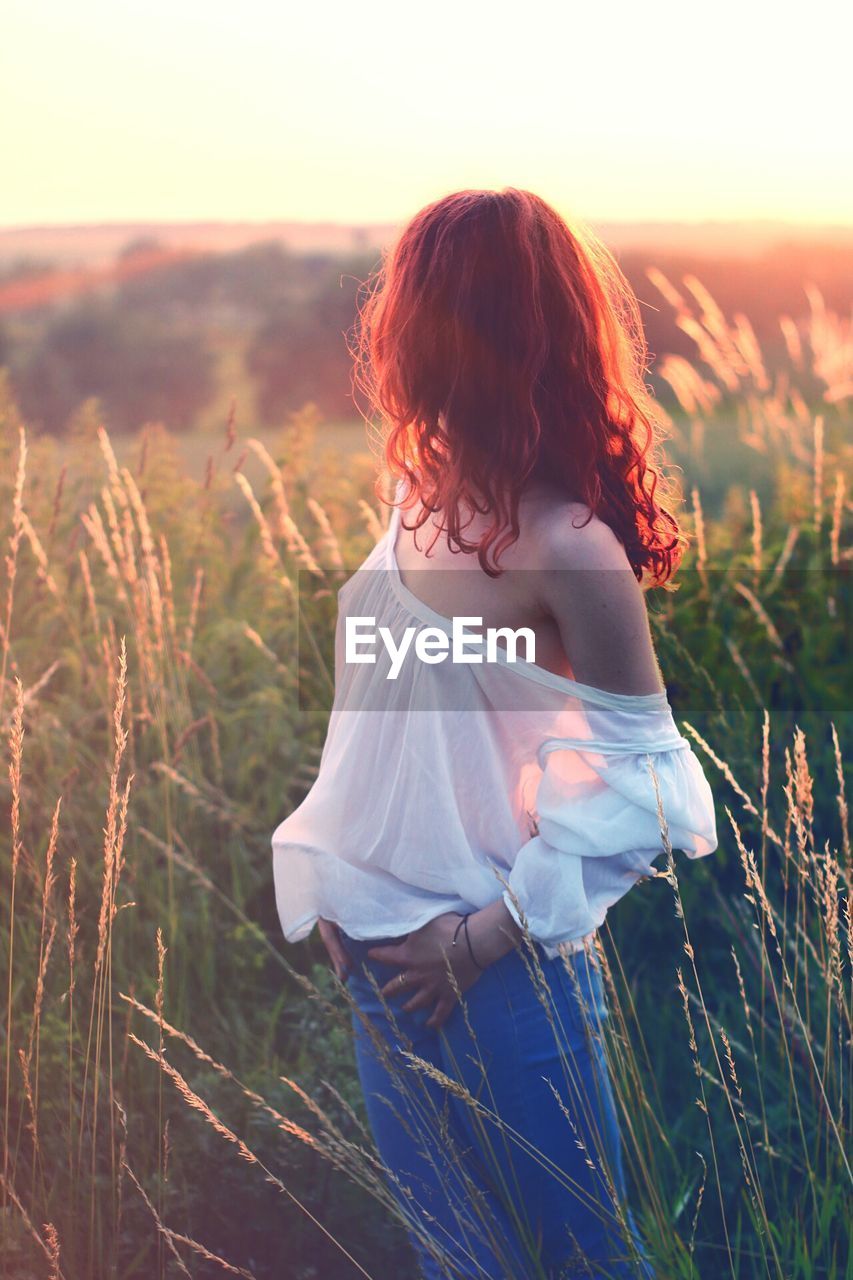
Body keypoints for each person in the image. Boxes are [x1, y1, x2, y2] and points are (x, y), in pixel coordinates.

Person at [271, 188, 719, 1278]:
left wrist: (477, 941)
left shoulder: (572, 549)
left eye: (408, 301)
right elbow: (383, 711)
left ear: (445, 327)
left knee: (583, 1263)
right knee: (454, 1260)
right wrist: (341, 870)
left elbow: (650, 788)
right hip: (379, 956)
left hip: (498, 969)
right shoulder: (414, 490)